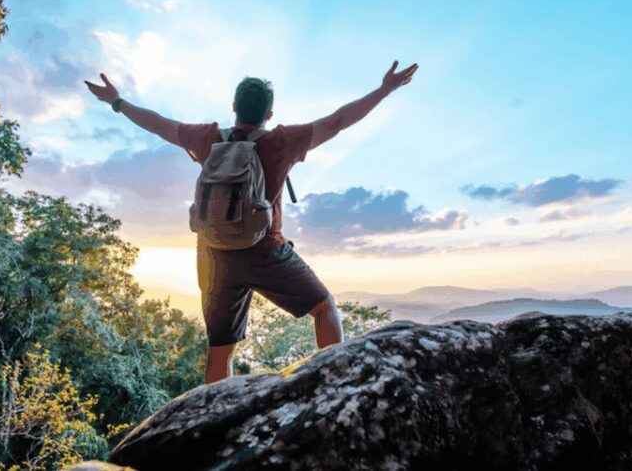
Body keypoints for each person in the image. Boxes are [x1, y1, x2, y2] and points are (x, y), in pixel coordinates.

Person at [85, 60, 419, 383]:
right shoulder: (280, 141)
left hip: (214, 255)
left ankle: (214, 420)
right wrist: (384, 90)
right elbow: (338, 121)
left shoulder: (208, 138)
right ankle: (335, 386)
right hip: (266, 251)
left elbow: (158, 124)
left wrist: (117, 101)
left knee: (220, 351)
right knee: (324, 308)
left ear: (234, 106)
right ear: (269, 115)